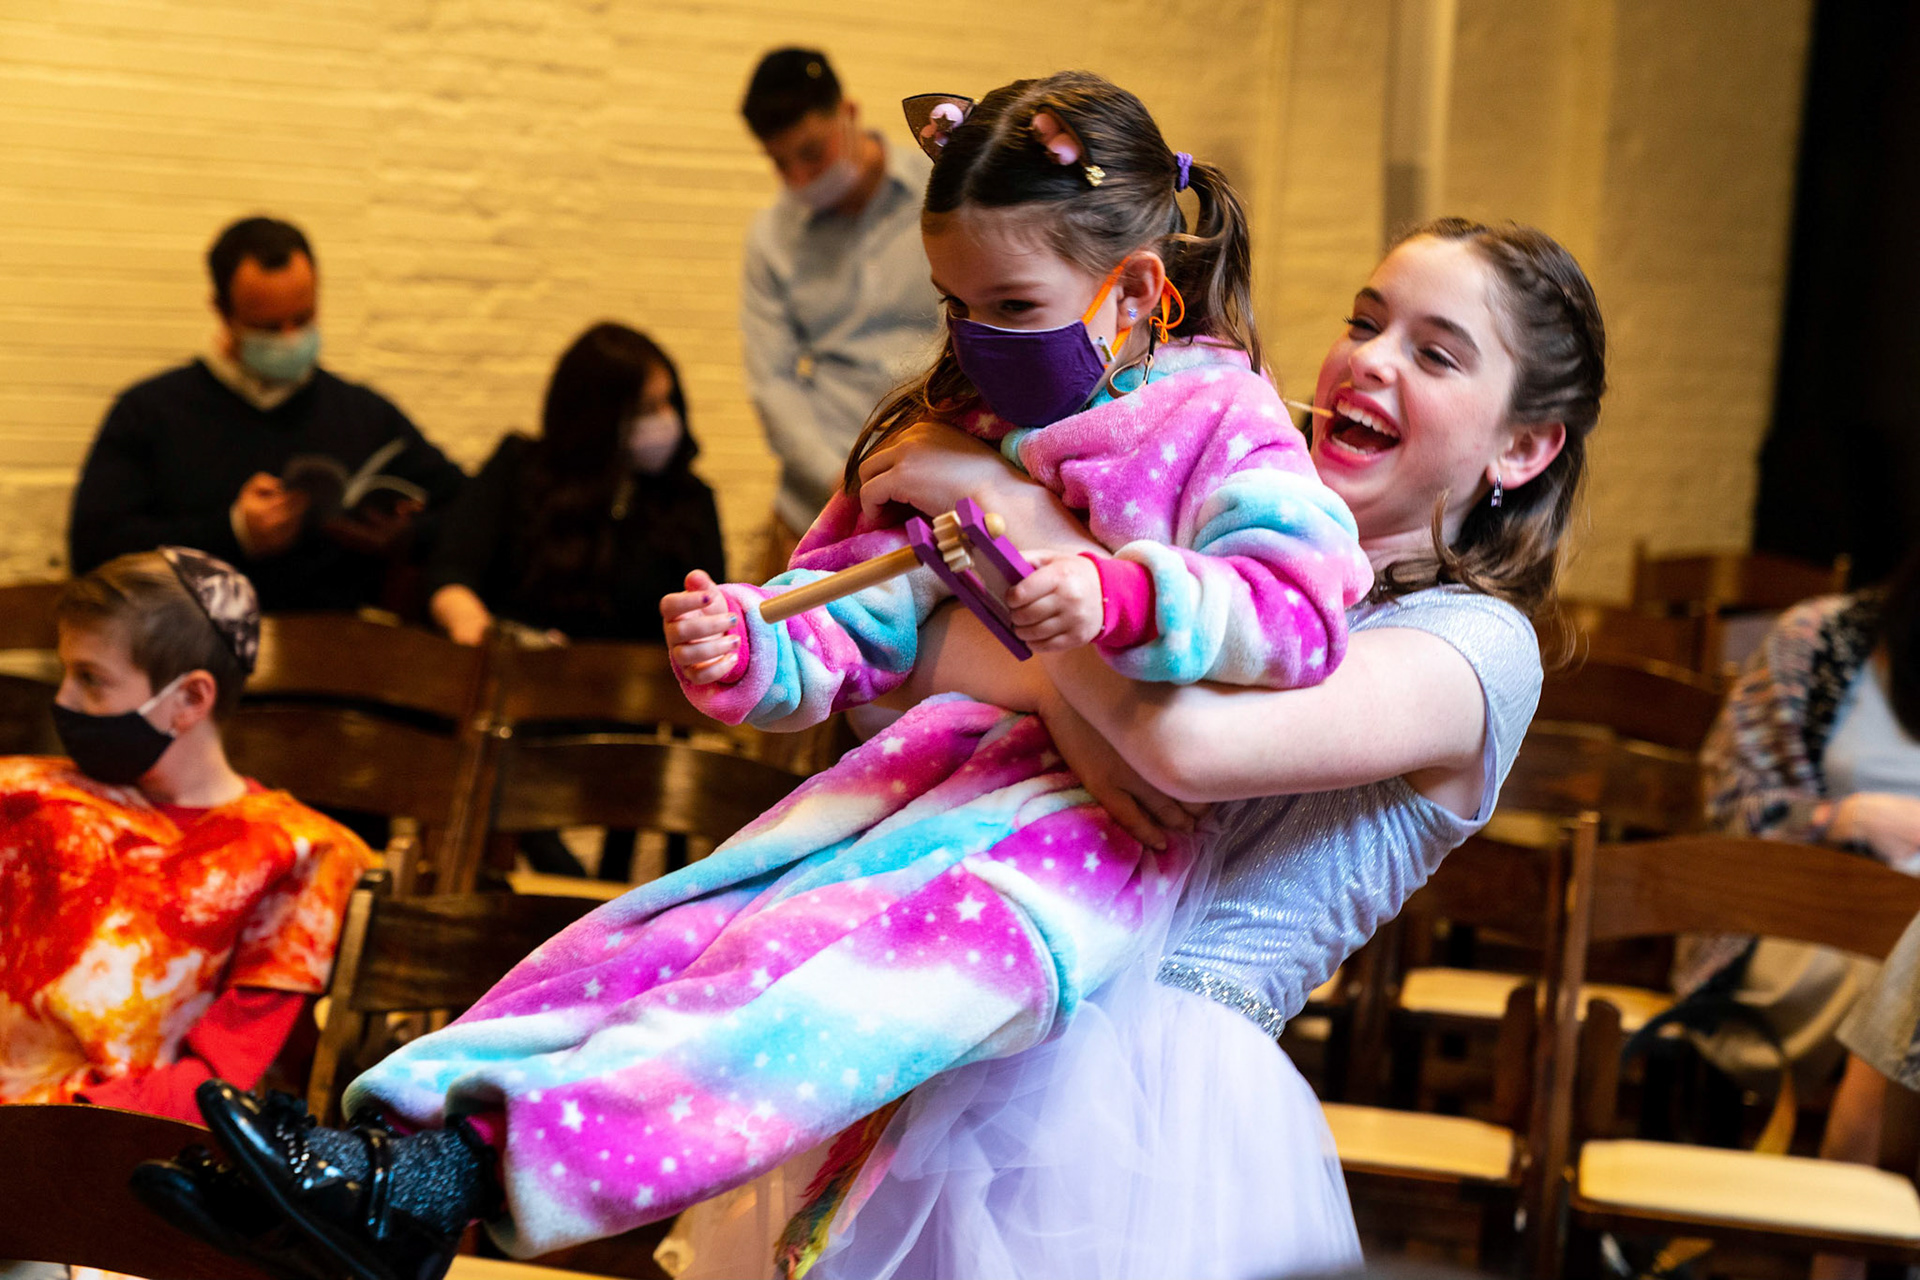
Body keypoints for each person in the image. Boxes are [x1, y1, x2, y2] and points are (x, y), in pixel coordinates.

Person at [137, 209, 1600, 1280]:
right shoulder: (1196, 520)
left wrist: (1003, 517)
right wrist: (981, 579)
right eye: (1365, 317)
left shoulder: (1477, 648)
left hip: (1135, 1097)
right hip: (932, 987)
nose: (1367, 359)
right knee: (663, 946)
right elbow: (925, 671)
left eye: (1437, 351)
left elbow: (1189, 758)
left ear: (1521, 447)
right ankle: (392, 1167)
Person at [0, 548, 374, 1122]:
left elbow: (215, 1080)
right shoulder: (23, 791)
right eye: (64, 672)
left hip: (99, 1146)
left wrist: (46, 1128)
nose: (63, 701)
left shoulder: (296, 852)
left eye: (90, 679)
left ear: (190, 699)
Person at [1687, 548, 1920, 1280]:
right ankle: (1852, 1250)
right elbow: (1729, 805)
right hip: (1795, 924)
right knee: (1906, 991)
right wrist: (1841, 817)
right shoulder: (1819, 642)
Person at [68, 216, 467, 613]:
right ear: (223, 313)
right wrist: (233, 531)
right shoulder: (151, 411)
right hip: (190, 651)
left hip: (338, 656)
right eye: (269, 328)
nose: (291, 338)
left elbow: (470, 507)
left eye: (304, 318)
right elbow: (94, 547)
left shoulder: (363, 413)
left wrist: (408, 535)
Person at [738, 48, 943, 578]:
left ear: (848, 114)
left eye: (812, 151)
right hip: (815, 511)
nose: (800, 176)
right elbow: (773, 383)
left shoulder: (941, 192)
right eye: (780, 163)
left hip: (933, 490)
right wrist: (841, 482)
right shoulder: (772, 238)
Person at [425, 323, 725, 648]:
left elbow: (711, 616)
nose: (665, 421)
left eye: (668, 403)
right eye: (645, 410)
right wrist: (479, 630)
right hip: (521, 677)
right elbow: (452, 572)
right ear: (598, 419)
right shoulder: (520, 469)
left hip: (642, 687)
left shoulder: (689, 498)